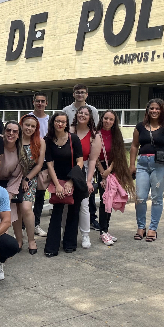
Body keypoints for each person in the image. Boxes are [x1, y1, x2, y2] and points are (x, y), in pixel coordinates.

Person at [129, 99, 164, 242]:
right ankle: (141, 227)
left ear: (162, 110)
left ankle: (153, 229)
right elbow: (134, 146)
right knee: (140, 197)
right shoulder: (140, 127)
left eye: (157, 108)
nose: (154, 111)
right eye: (151, 108)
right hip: (143, 164)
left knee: (156, 198)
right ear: (147, 110)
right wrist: (132, 165)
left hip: (160, 165)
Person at [86, 110, 136, 245]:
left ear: (114, 122)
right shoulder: (96, 135)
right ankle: (102, 231)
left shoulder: (116, 136)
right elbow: (93, 157)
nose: (108, 121)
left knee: (110, 200)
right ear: (102, 119)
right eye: (106, 118)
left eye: (111, 119)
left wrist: (109, 170)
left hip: (111, 171)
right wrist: (103, 173)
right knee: (104, 201)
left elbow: (117, 155)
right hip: (99, 169)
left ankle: (105, 230)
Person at [43, 112, 84, 257]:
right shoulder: (47, 140)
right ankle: (52, 247)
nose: (60, 124)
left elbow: (80, 161)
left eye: (63, 122)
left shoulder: (73, 139)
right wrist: (58, 185)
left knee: (73, 212)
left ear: (67, 124)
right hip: (58, 180)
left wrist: (71, 181)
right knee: (57, 212)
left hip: (74, 179)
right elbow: (49, 164)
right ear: (53, 122)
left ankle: (70, 244)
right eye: (57, 121)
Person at [62, 84, 100, 231]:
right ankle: (69, 227)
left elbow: (95, 129)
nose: (80, 95)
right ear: (73, 94)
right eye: (77, 92)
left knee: (87, 194)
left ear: (87, 94)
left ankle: (91, 220)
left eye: (82, 92)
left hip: (86, 156)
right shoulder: (66, 110)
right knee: (68, 195)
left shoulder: (93, 111)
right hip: (69, 159)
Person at [18, 114, 45, 254]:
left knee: (26, 208)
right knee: (16, 210)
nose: (29, 128)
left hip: (30, 178)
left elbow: (39, 165)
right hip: (14, 178)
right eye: (27, 125)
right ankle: (18, 240)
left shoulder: (40, 142)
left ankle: (31, 240)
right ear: (21, 124)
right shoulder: (15, 139)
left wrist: (27, 179)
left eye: (33, 126)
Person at [70, 106, 96, 249]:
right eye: (81, 113)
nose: (83, 115)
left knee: (84, 205)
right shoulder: (69, 130)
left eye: (86, 114)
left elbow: (92, 160)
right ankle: (65, 233)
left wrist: (89, 180)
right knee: (66, 202)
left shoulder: (93, 135)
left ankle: (85, 235)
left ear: (90, 117)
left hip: (84, 169)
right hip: (68, 168)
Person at [29, 92, 50, 238]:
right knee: (26, 194)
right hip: (29, 160)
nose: (40, 104)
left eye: (43, 101)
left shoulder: (50, 120)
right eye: (38, 101)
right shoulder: (28, 118)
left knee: (40, 194)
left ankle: (36, 224)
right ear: (33, 102)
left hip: (44, 162)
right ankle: (25, 222)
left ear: (46, 103)